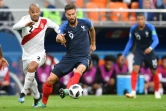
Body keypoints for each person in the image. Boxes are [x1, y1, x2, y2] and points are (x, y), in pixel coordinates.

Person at [35, 4, 96, 107]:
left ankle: (68, 90)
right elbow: (58, 36)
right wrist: (60, 38)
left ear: (76, 13)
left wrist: (93, 44)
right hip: (70, 57)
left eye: (73, 14)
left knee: (79, 70)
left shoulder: (85, 22)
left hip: (84, 56)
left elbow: (92, 29)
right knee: (50, 80)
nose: (71, 16)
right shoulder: (64, 27)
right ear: (65, 15)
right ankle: (43, 103)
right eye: (69, 15)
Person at [12, 4, 59, 106]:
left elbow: (56, 26)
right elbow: (14, 27)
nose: (35, 14)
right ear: (29, 12)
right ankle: (37, 97)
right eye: (33, 12)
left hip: (40, 54)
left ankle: (23, 92)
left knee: (32, 68)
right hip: (26, 56)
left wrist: (59, 33)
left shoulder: (44, 21)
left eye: (37, 11)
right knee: (31, 78)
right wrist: (24, 25)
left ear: (39, 11)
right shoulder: (25, 19)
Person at [121, 13, 160, 98]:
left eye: (142, 19)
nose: (140, 21)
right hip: (139, 51)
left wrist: (150, 48)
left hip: (150, 52)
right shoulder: (133, 29)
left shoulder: (150, 27)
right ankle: (133, 92)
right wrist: (124, 54)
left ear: (144, 20)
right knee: (135, 69)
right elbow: (130, 42)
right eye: (138, 19)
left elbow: (156, 40)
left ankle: (157, 92)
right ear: (136, 20)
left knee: (154, 71)